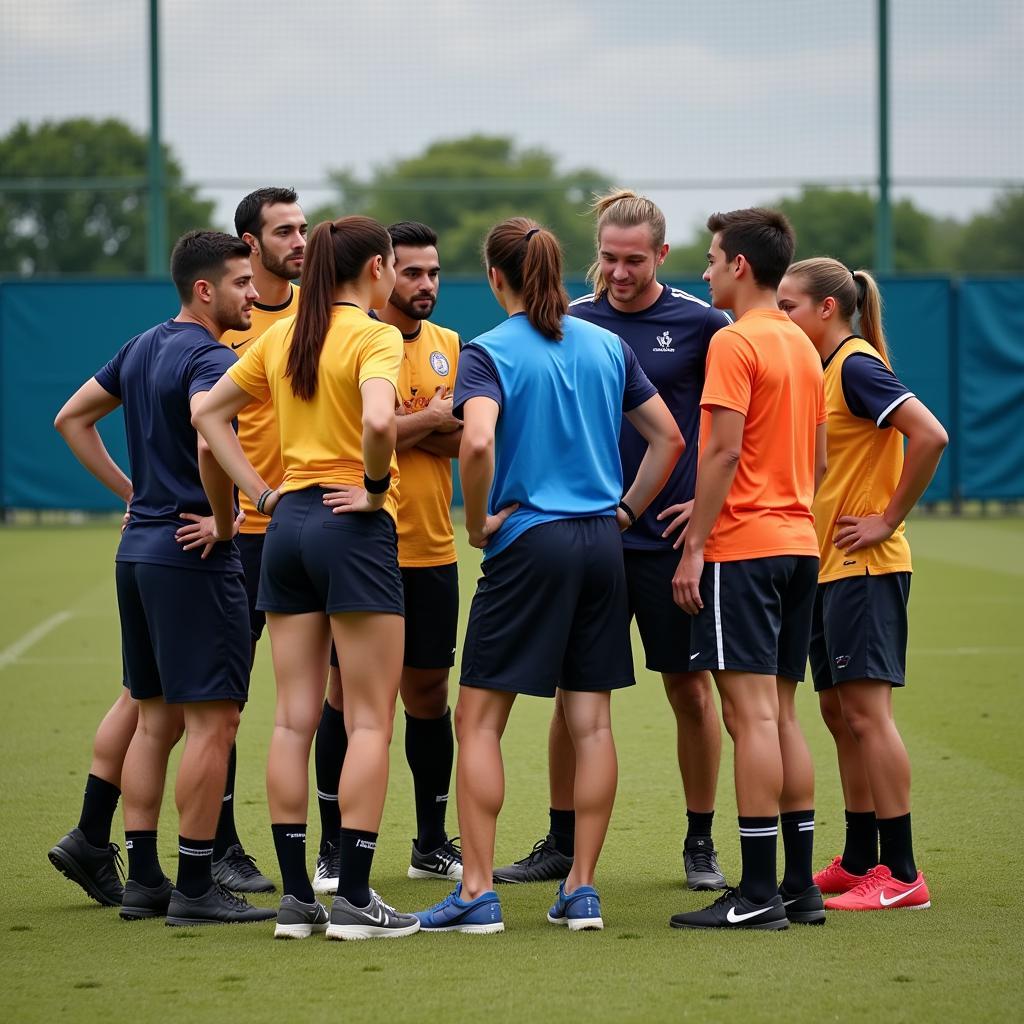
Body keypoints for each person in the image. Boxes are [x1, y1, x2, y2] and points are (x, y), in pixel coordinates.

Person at [414, 217, 683, 935]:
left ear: (494, 277)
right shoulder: (607, 344)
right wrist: (625, 512)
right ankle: (582, 889)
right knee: (591, 722)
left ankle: (476, 891)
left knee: (478, 720)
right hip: (602, 543)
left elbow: (473, 440)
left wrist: (475, 523)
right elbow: (670, 438)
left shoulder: (488, 352)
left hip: (530, 541)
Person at [46, 189, 306, 906]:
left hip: (140, 552)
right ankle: (197, 883)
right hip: (193, 555)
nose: (253, 293)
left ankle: (144, 879)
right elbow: (207, 435)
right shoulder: (206, 357)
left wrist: (132, 495)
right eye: (241, 283)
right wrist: (233, 519)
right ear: (205, 289)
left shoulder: (144, 344)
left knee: (154, 717)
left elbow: (71, 419)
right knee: (213, 722)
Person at [193, 215, 421, 940]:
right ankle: (354, 896)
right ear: (377, 269)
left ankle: (298, 900)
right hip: (349, 527)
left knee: (292, 720)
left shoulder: (281, 334)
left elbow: (207, 413)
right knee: (367, 721)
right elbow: (381, 422)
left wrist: (257, 495)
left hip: (285, 526)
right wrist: (379, 489)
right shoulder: (375, 334)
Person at [494, 190, 729, 890]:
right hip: (586, 541)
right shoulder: (569, 321)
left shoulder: (703, 324)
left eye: (634, 260)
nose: (619, 272)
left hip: (663, 541)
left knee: (688, 691)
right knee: (573, 696)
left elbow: (729, 431)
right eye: (608, 258)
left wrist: (708, 516)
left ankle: (700, 840)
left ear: (662, 255)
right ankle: (561, 841)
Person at [669, 209, 827, 931]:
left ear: (739, 266)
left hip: (745, 547)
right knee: (782, 713)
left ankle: (757, 892)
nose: (704, 272)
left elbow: (723, 453)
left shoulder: (735, 342)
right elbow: (820, 462)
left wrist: (696, 542)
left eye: (711, 259)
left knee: (751, 716)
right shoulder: (802, 342)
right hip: (799, 544)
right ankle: (799, 886)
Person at [777, 258, 946, 911]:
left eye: (790, 304)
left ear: (826, 308)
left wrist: (887, 518)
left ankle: (902, 874)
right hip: (827, 569)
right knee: (839, 713)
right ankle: (858, 859)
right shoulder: (824, 369)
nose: (780, 315)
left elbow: (930, 435)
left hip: (864, 569)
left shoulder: (853, 363)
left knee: (869, 716)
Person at [312, 221, 464, 893]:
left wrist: (422, 427)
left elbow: (467, 440)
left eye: (434, 273)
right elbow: (362, 432)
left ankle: (430, 843)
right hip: (364, 545)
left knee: (428, 695)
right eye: (413, 273)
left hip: (432, 545)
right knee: (344, 696)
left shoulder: (451, 345)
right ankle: (332, 849)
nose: (425, 285)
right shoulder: (353, 339)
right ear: (382, 272)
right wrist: (426, 420)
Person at [200, 186, 306, 893]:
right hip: (240, 534)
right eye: (283, 231)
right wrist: (218, 508)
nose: (299, 241)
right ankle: (219, 845)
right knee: (225, 701)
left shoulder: (319, 315)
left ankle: (330, 853)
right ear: (249, 242)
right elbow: (198, 423)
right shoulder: (219, 325)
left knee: (320, 698)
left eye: (303, 228)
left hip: (305, 530)